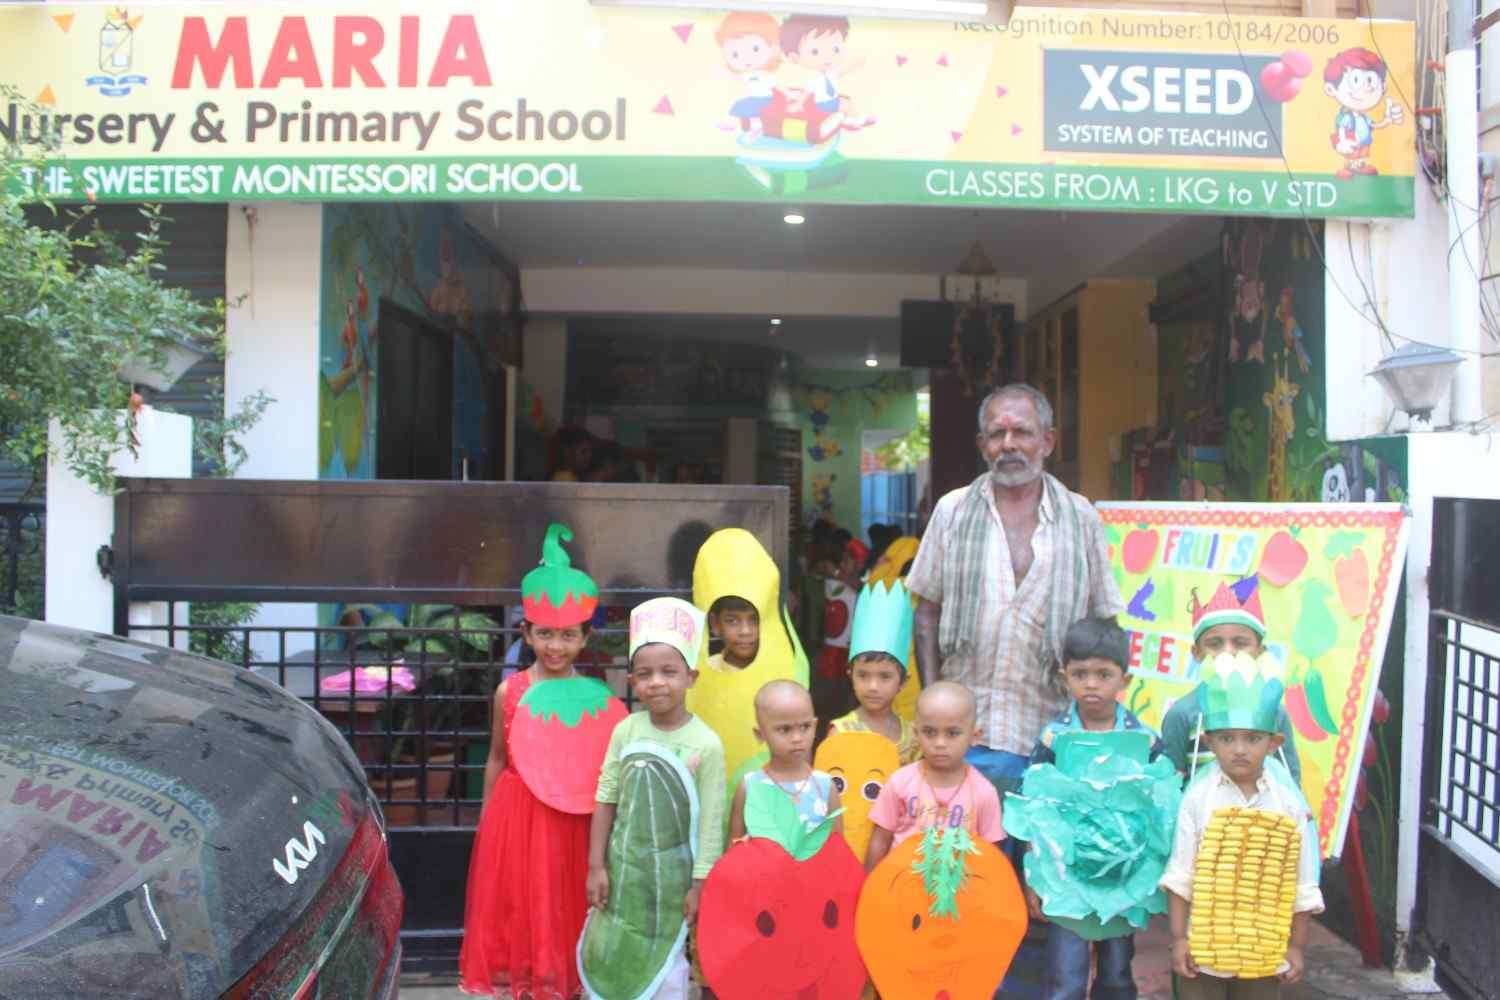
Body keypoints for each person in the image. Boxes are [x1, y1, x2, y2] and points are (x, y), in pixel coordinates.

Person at [907, 384, 1124, 799]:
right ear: (982, 445)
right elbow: (926, 613)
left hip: (1053, 735)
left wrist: (1099, 718)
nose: (1008, 444)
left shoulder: (1081, 517)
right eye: (997, 434)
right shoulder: (953, 510)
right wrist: (933, 701)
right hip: (963, 737)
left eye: (1022, 432)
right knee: (962, 842)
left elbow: (1104, 622)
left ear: (1048, 441)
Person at [460, 524, 603, 998]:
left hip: (570, 816)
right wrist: (488, 820)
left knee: (562, 900)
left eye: (567, 636)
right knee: (522, 902)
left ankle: (563, 981)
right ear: (526, 633)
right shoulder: (511, 691)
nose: (555, 647)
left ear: (585, 637)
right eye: (544, 634)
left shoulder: (594, 697)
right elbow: (496, 758)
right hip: (518, 813)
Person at [1160, 653, 1324, 999]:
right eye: (1227, 739)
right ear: (1209, 741)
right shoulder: (1197, 798)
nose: (1239, 750)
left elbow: (1302, 882)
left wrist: (1296, 947)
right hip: (1203, 952)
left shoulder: (1288, 803)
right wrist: (1179, 939)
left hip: (1265, 952)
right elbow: (1180, 874)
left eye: (1252, 738)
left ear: (1273, 743)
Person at [590, 597, 728, 999]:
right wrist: (596, 865)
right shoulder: (626, 731)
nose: (657, 682)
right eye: (645, 674)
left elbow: (711, 820)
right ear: (632, 681)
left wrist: (699, 885)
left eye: (669, 672)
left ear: (691, 677)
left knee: (668, 963)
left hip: (676, 879)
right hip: (624, 872)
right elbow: (606, 796)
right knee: (617, 953)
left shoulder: (706, 744)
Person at [1025, 618, 1165, 1000]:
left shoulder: (1144, 741)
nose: (1091, 684)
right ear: (1064, 677)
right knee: (1065, 976)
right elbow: (1033, 807)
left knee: (1117, 974)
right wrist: (1035, 877)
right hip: (1065, 876)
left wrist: (1152, 878)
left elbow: (1162, 810)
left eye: (1103, 674)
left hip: (1123, 877)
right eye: (1080, 674)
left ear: (1125, 679)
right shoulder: (1054, 738)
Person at [1159, 579, 1301, 785]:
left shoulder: (1274, 713)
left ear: (1260, 651)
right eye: (1214, 644)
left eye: (1240, 643)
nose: (1227, 651)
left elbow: (1290, 783)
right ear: (1196, 653)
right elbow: (1169, 787)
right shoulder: (1181, 714)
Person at [864, 681, 1004, 870]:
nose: (940, 743)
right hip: (900, 883)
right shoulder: (900, 782)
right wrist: (871, 885)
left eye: (952, 733)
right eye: (929, 732)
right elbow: (880, 840)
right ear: (916, 733)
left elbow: (992, 855)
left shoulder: (984, 792)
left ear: (974, 736)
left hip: (958, 886)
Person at [729, 680, 843, 842]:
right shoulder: (750, 787)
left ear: (815, 726)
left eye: (805, 726)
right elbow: (735, 850)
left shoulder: (825, 786)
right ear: (760, 734)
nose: (797, 738)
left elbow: (838, 849)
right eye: (785, 729)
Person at [828, 576, 921, 763]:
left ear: (903, 681)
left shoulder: (914, 738)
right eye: (863, 675)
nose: (873, 686)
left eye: (885, 677)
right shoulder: (840, 733)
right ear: (850, 675)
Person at [706, 595, 759, 671]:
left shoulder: (777, 667)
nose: (745, 631)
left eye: (755, 620)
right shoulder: (703, 669)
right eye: (732, 621)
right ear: (715, 624)